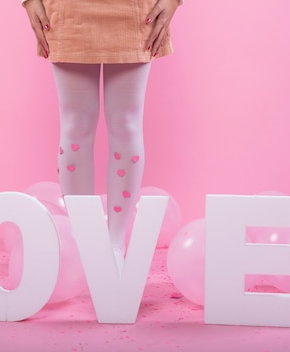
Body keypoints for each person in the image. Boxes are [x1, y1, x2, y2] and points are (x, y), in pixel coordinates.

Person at [22, 0, 181, 271]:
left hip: (135, 11)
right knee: (75, 127)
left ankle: (115, 245)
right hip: (69, 10)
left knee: (126, 125)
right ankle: (85, 243)